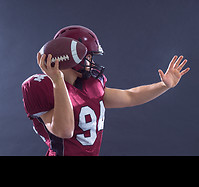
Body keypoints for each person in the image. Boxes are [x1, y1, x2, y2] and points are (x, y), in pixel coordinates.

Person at [22, 25, 190, 156]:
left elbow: (130, 96)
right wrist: (58, 81)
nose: (91, 62)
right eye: (89, 56)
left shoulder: (91, 85)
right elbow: (65, 131)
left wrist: (163, 86)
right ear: (70, 57)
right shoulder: (42, 87)